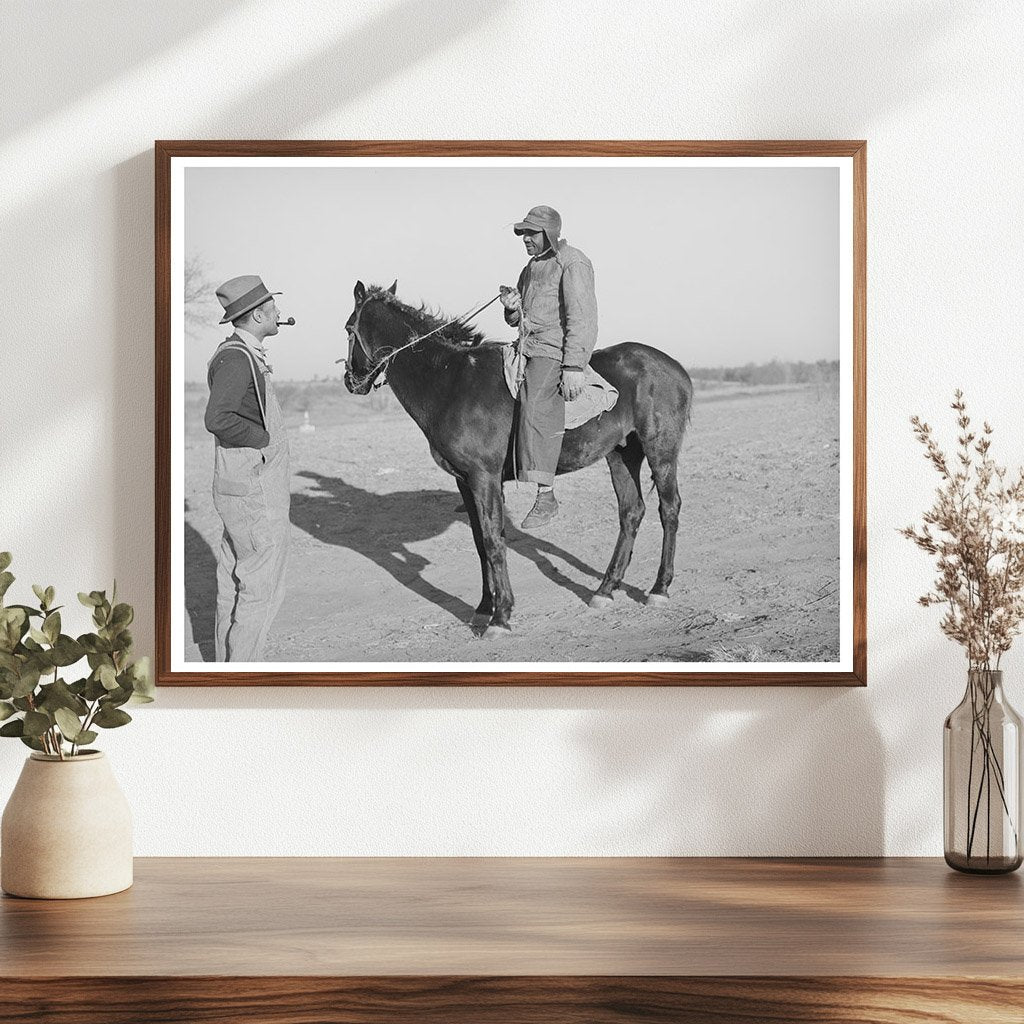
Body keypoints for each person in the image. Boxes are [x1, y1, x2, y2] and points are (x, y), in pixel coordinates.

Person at [204, 275, 291, 662]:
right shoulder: (238, 359)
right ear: (258, 314)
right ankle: (240, 677)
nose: (279, 314)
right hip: (254, 488)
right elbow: (218, 418)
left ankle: (224, 670)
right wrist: (261, 440)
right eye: (273, 308)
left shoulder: (239, 354)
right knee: (261, 585)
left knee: (234, 579)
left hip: (239, 485)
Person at [501, 205, 598, 528]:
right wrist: (512, 309)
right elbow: (518, 320)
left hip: (553, 351)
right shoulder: (530, 268)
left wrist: (573, 366)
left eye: (531, 233)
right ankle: (493, 483)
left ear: (550, 234)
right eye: (523, 233)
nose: (525, 239)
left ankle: (546, 495)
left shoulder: (573, 262)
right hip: (525, 347)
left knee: (535, 404)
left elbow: (582, 317)